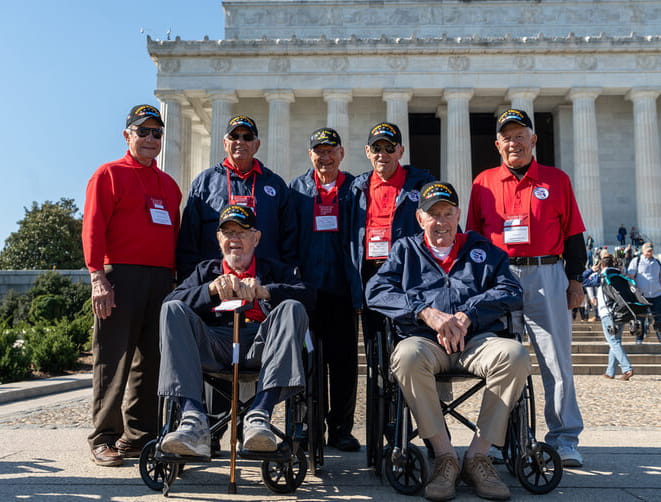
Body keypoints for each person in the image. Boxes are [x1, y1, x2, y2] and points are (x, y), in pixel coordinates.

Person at [366, 182, 530, 501]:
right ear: (420, 218)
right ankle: (445, 457)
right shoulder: (404, 251)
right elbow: (376, 291)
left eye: (447, 213)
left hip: (476, 341)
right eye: (433, 214)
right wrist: (425, 312)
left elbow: (511, 290)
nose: (440, 221)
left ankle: (478, 457)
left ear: (458, 215)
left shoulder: (482, 249)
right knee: (406, 357)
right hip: (425, 342)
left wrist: (469, 313)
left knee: (515, 354)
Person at [466, 108, 587, 467]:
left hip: (546, 274)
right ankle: (502, 439)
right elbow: (473, 237)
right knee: (502, 361)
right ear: (497, 144)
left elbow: (574, 234)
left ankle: (565, 439)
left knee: (556, 359)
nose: (514, 142)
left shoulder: (556, 180)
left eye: (521, 135)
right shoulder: (483, 182)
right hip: (499, 277)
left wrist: (576, 279)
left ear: (533, 140)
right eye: (507, 137)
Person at [157, 205, 314, 457]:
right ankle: (192, 419)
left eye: (242, 233)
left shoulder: (275, 269)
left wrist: (266, 291)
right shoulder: (206, 271)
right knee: (172, 309)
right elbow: (170, 302)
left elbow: (308, 296)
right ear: (219, 239)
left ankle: (259, 415)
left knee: (293, 308)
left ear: (256, 238)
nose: (234, 239)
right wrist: (208, 290)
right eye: (228, 233)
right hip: (216, 342)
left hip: (262, 343)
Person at [82, 104, 182, 466]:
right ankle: (103, 436)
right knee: (112, 358)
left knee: (152, 361)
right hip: (119, 277)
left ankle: (139, 436)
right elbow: (92, 228)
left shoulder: (170, 186)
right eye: (144, 131)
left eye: (157, 132)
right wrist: (98, 277)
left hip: (161, 279)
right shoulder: (108, 174)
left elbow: (174, 236)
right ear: (128, 135)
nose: (151, 138)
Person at [289, 128, 360, 451]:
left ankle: (341, 429)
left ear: (341, 154)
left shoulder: (355, 189)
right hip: (307, 291)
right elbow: (289, 238)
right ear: (310, 155)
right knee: (305, 362)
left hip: (342, 290)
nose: (325, 156)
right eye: (319, 150)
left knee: (343, 363)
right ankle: (305, 425)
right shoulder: (298, 190)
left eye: (331, 150)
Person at [176, 114, 297, 282]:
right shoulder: (204, 183)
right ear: (225, 143)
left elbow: (289, 239)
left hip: (265, 281)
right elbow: (189, 239)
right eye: (234, 136)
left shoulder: (275, 184)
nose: (240, 142)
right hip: (214, 281)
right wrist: (189, 282)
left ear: (257, 145)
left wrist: (287, 279)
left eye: (247, 137)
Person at [348, 122, 435, 344]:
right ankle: (376, 380)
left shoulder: (422, 184)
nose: (383, 154)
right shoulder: (357, 188)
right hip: (371, 271)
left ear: (400, 151)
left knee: (409, 335)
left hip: (408, 271)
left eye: (389, 148)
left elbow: (443, 223)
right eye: (377, 148)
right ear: (368, 152)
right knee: (373, 338)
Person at [597, 254, 634, 380]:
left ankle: (627, 368)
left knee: (613, 341)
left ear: (602, 265)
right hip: (621, 312)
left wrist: (592, 270)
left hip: (608, 313)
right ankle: (610, 372)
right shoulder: (618, 276)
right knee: (615, 341)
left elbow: (585, 280)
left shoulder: (603, 276)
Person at [627, 242, 661, 343]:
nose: (649, 253)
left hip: (657, 294)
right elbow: (630, 277)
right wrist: (633, 291)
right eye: (648, 251)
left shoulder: (657, 262)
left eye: (651, 251)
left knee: (659, 317)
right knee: (640, 319)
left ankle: (660, 338)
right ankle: (639, 339)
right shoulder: (636, 261)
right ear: (643, 250)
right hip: (641, 296)